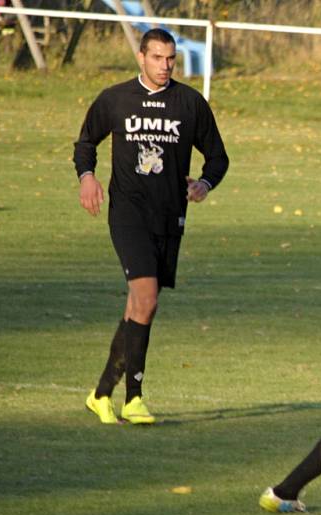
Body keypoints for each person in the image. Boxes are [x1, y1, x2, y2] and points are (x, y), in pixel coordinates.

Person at [73, 28, 229, 425]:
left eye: (170, 59)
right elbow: (86, 141)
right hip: (127, 213)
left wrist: (203, 184)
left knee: (138, 307)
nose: (165, 65)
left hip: (169, 216)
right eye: (157, 58)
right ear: (141, 58)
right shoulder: (116, 99)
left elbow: (218, 157)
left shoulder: (189, 104)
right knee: (146, 298)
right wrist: (87, 177)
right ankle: (134, 398)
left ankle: (101, 393)